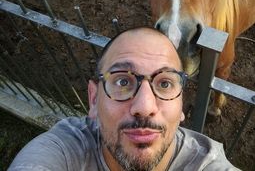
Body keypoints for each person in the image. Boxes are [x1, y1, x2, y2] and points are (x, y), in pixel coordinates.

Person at [9, 27, 239, 171]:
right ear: (93, 99)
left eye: (165, 83)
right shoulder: (64, 151)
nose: (144, 107)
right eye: (122, 82)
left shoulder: (206, 164)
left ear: (180, 103)